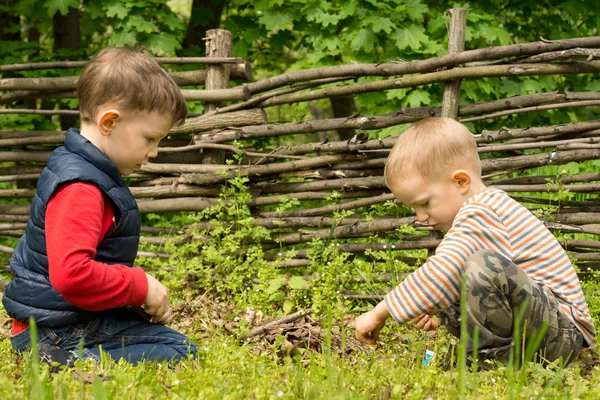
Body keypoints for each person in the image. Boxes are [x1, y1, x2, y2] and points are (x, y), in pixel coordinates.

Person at [2, 47, 197, 365]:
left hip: (57, 318)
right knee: (179, 350)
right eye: (150, 139)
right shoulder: (82, 188)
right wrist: (140, 285)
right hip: (52, 329)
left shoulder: (84, 170)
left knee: (168, 340)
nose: (155, 152)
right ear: (109, 122)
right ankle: (65, 361)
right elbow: (72, 276)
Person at [354, 117, 596, 365]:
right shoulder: (477, 217)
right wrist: (444, 310)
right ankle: (492, 359)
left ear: (461, 182)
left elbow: (444, 270)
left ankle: (487, 364)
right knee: (454, 282)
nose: (421, 217)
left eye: (424, 203)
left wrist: (378, 313)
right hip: (539, 329)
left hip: (563, 336)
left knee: (477, 265)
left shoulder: (483, 211)